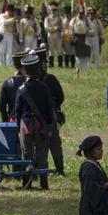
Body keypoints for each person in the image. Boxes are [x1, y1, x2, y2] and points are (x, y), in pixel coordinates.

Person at [14, 54, 54, 190]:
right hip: (41, 125)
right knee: (42, 156)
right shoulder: (43, 87)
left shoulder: (21, 89)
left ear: (25, 70)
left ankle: (27, 184)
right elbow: (50, 109)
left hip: (26, 125)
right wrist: (49, 126)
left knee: (26, 156)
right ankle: (44, 184)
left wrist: (17, 128)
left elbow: (17, 112)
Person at [34, 45, 66, 176]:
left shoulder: (30, 80)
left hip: (35, 117)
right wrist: (54, 107)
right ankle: (59, 169)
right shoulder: (50, 79)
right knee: (55, 144)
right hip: (50, 117)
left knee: (38, 145)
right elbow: (60, 97)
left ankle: (39, 169)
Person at [0, 51, 28, 122]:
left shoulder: (7, 83)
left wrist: (5, 120)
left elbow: (2, 105)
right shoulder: (31, 83)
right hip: (28, 121)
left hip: (13, 120)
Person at [69, 3, 96, 76]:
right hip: (77, 39)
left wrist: (89, 32)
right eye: (79, 13)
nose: (81, 14)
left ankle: (86, 69)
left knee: (86, 55)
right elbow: (70, 29)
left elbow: (93, 29)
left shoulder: (87, 20)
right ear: (77, 12)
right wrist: (72, 34)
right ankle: (79, 69)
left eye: (82, 13)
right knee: (78, 56)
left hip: (86, 39)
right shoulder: (74, 20)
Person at [44, 1, 64, 68]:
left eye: (55, 10)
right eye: (52, 10)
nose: (53, 11)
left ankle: (60, 64)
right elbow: (46, 28)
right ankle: (51, 64)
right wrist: (55, 28)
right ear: (50, 11)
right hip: (51, 36)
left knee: (59, 51)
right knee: (51, 51)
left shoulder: (60, 18)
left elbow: (62, 26)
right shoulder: (47, 19)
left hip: (58, 36)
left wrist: (62, 32)